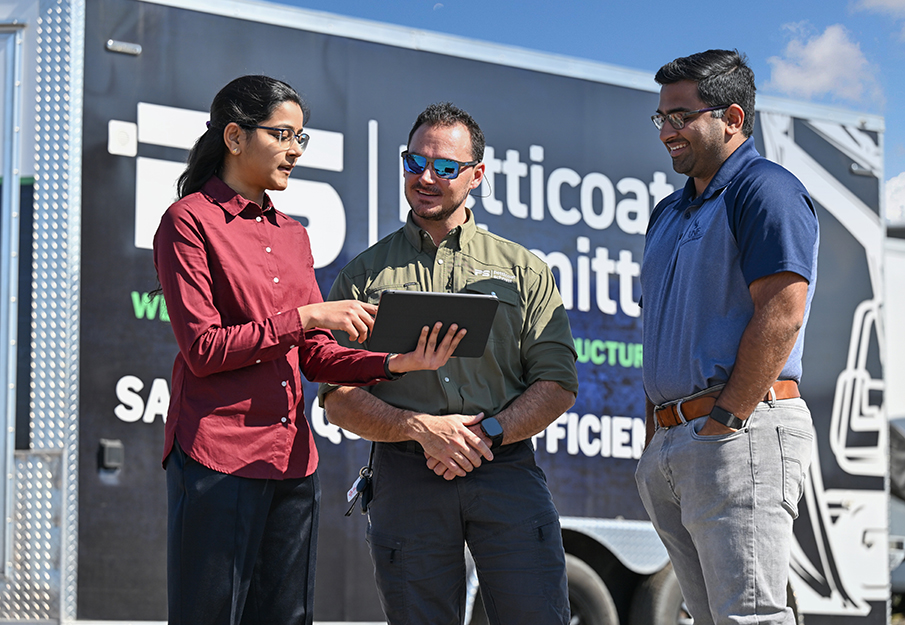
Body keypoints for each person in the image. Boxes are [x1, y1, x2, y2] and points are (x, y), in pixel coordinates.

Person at [153, 75, 464, 625]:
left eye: (303, 137)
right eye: (284, 134)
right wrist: (304, 317)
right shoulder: (189, 222)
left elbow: (315, 355)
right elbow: (203, 349)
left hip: (292, 459)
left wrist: (395, 362)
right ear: (234, 137)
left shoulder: (293, 234)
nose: (296, 149)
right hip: (217, 456)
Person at [317, 102, 579, 625]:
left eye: (445, 167)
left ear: (477, 175)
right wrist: (420, 429)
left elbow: (557, 382)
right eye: (415, 163)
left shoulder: (524, 271)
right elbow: (336, 397)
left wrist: (488, 434)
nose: (426, 177)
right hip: (404, 474)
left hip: (504, 468)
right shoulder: (362, 276)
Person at [635, 50, 819, 625]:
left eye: (681, 117)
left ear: (733, 118)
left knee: (749, 618)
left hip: (738, 434)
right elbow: (661, 329)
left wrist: (725, 423)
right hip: (675, 441)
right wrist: (657, 431)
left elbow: (784, 312)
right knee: (709, 619)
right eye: (661, 118)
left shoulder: (766, 190)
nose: (667, 131)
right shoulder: (668, 211)